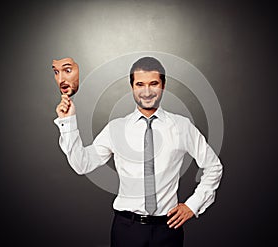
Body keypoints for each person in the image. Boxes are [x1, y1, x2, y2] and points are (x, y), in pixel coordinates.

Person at [54, 57, 223, 247]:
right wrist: (68, 123)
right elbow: (81, 164)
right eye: (140, 84)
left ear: (163, 85)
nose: (147, 91)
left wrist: (193, 206)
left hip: (168, 229)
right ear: (132, 87)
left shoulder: (182, 126)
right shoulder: (116, 128)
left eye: (154, 84)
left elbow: (213, 167)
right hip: (127, 230)